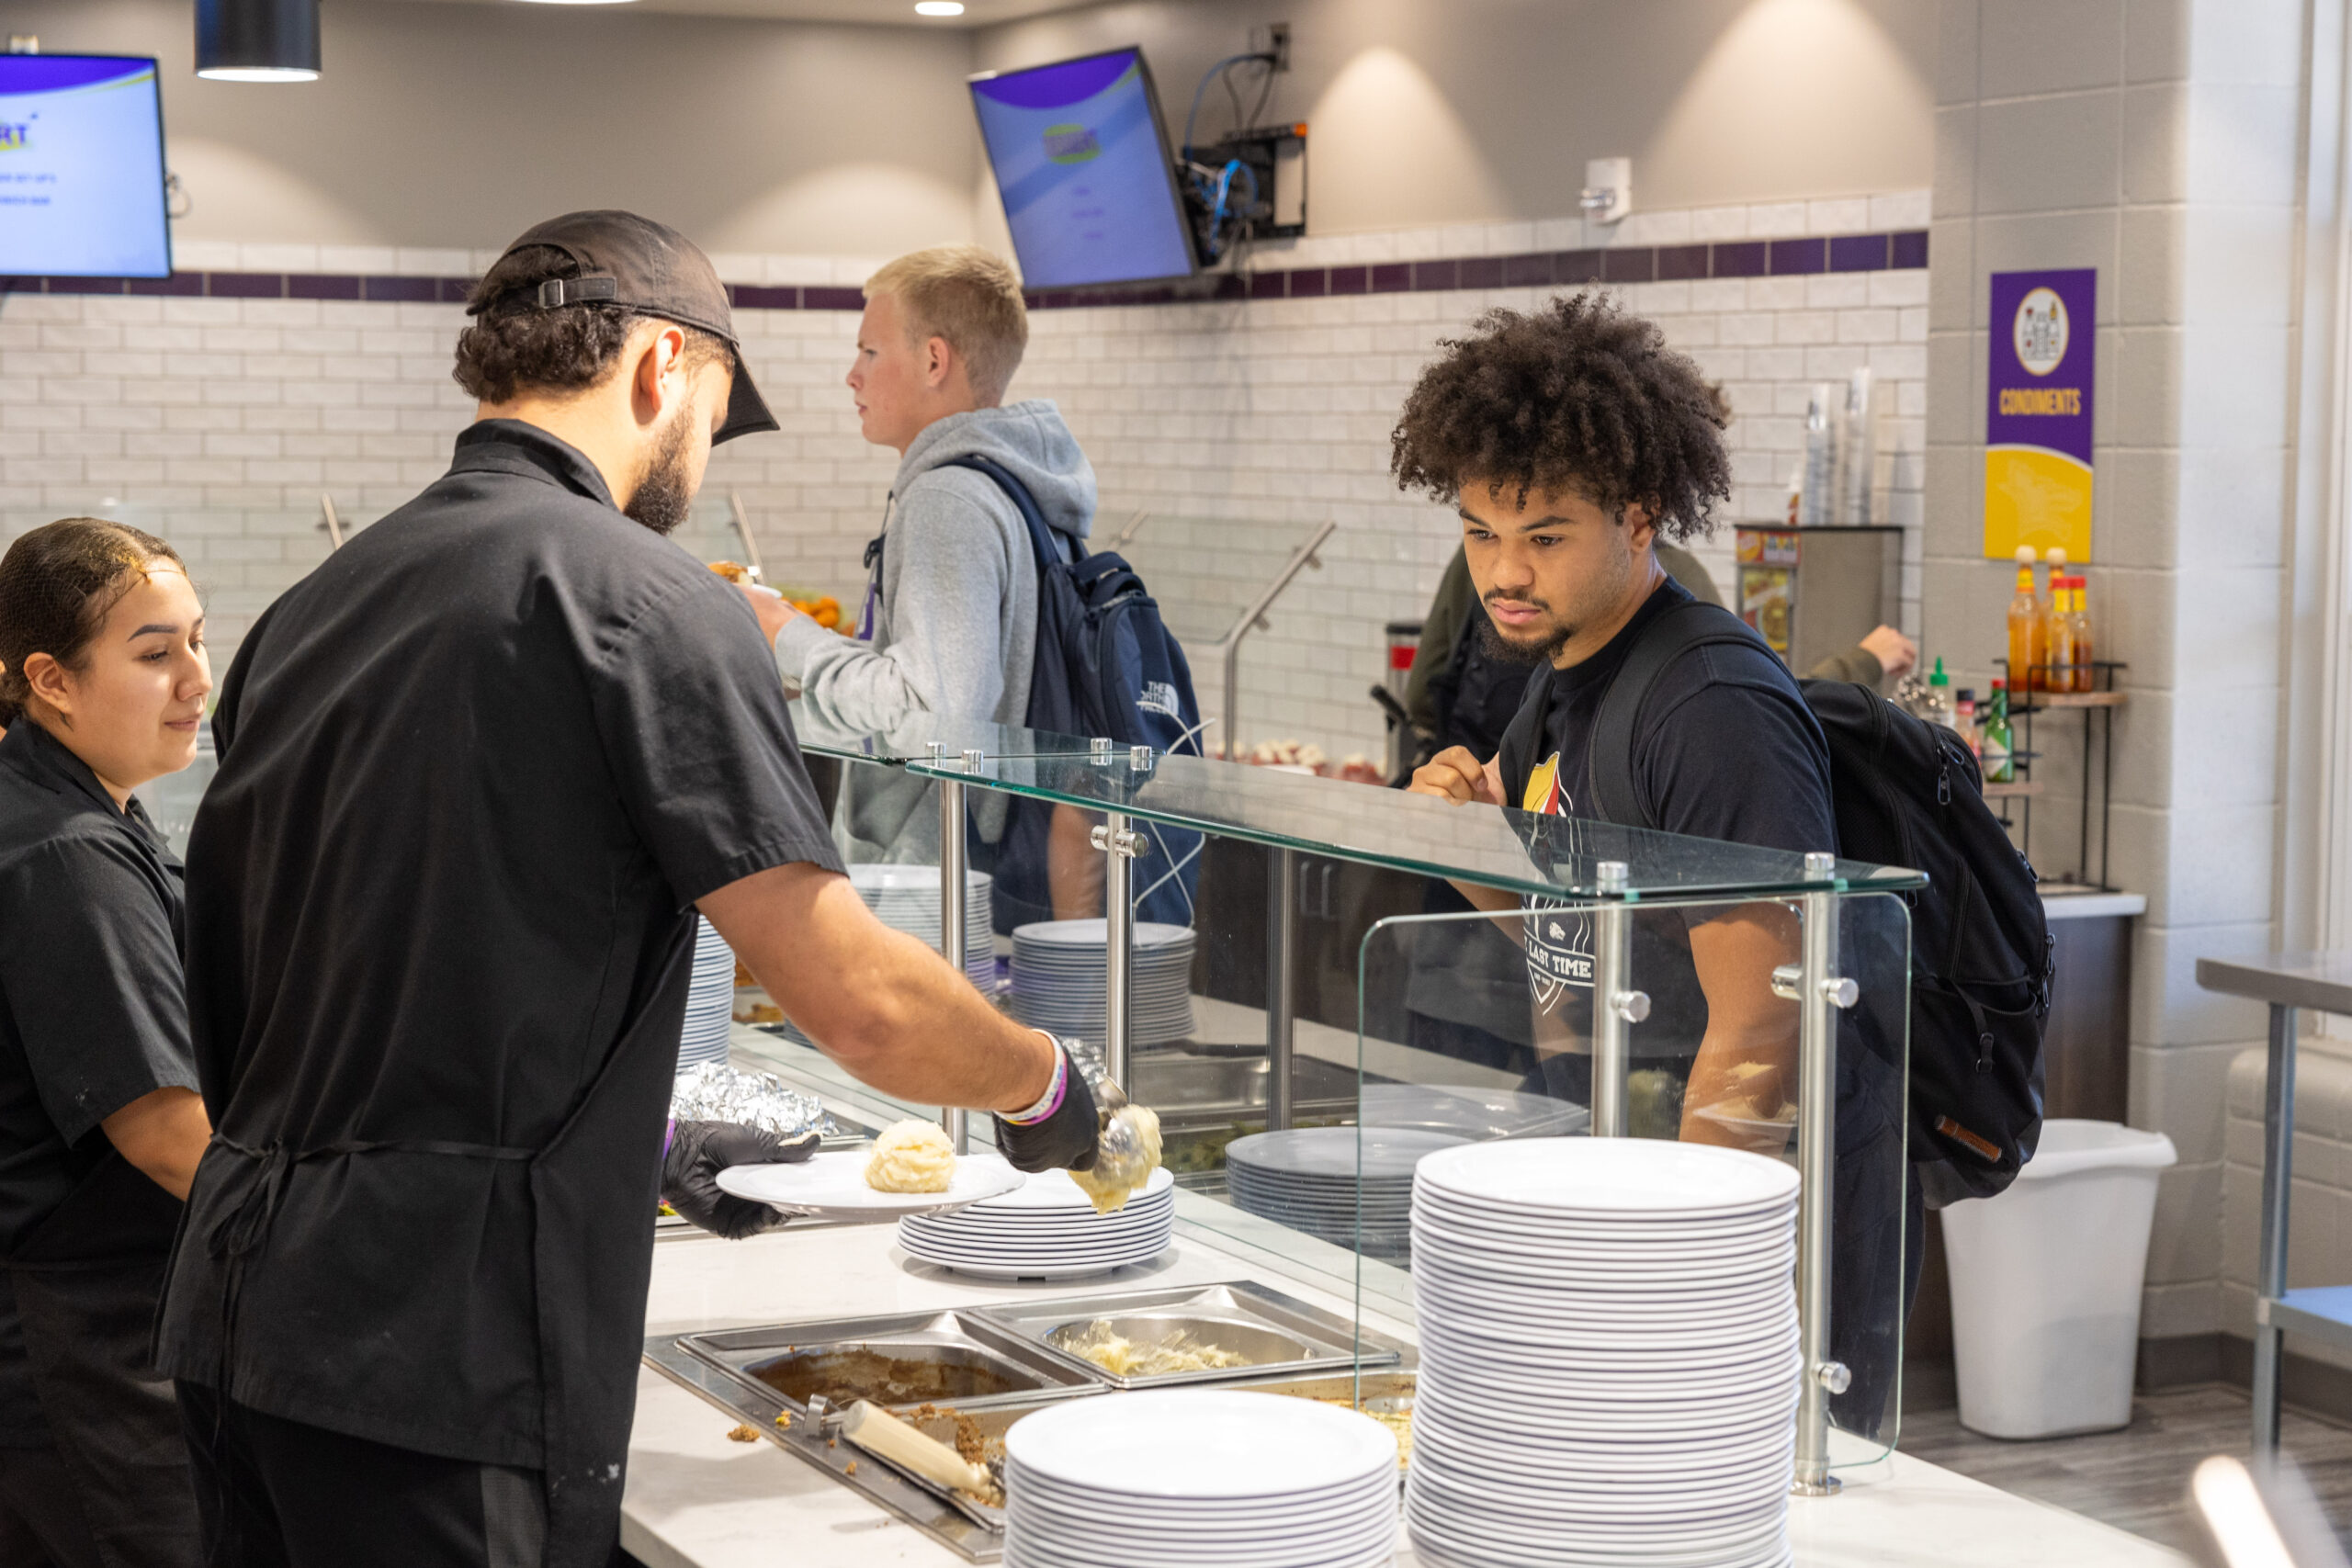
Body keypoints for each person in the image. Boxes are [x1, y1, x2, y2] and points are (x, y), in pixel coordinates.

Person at [154, 212, 1104, 1568]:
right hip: (440, 1348)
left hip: (239, 1307)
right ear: (661, 366)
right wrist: (1045, 1086)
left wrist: (627, 1135)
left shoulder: (314, 606)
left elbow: (336, 969)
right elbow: (857, 1000)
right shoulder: (646, 602)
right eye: (713, 416)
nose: (703, 460)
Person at [1395, 292, 1911, 1423]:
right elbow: (1576, 941)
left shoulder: (1708, 704)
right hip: (1621, 1165)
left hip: (1728, 1235)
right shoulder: (1565, 674)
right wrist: (1467, 844)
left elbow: (1765, 1023)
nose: (1502, 574)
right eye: (1480, 534)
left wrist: (1673, 1260)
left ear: (1637, 517)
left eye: (1543, 538)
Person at [752, 244, 1096, 910]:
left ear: (935, 360)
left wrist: (786, 635)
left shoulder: (949, 500)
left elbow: (931, 716)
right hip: (972, 881)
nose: (852, 375)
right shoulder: (1015, 485)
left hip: (932, 890)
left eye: (869, 351)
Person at [0, 519, 214, 1567]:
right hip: (79, 1349)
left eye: (198, 640)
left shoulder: (82, 810)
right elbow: (168, 1135)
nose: (197, 680)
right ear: (51, 680)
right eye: (155, 652)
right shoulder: (67, 854)